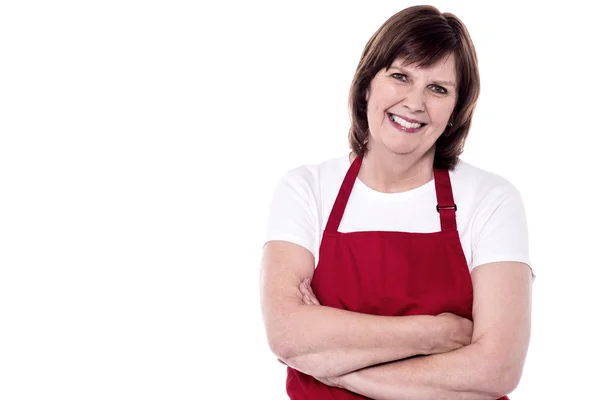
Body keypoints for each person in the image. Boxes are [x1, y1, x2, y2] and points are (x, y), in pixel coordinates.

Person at [259, 5, 534, 400]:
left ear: (457, 109)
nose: (414, 102)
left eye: (438, 88)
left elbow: (497, 368)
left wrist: (336, 372)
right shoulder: (306, 189)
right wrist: (436, 333)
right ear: (368, 83)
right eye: (400, 76)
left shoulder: (491, 200)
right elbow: (287, 334)